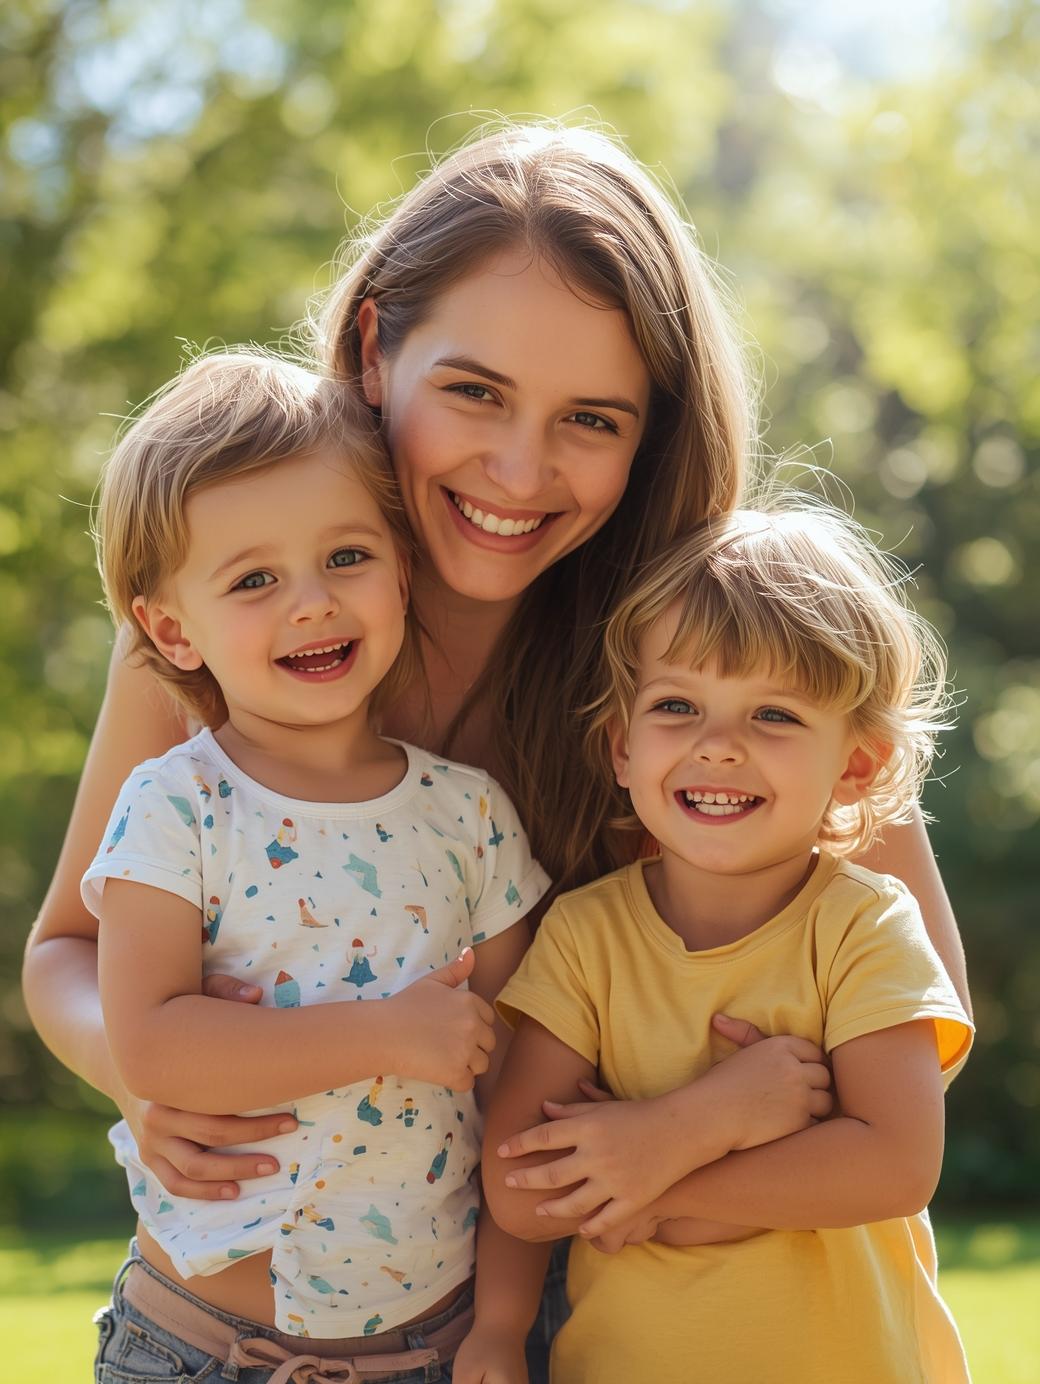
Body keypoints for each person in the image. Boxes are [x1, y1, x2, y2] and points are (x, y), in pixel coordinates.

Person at [22, 121, 970, 1380]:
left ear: (651, 437)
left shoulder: (706, 661)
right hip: (231, 1312)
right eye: (473, 391)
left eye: (591, 418)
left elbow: (908, 1010)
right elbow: (65, 953)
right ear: (375, 348)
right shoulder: (225, 638)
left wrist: (679, 1151)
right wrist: (147, 1073)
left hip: (573, 1319)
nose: (519, 469)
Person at [83, 349, 554, 1380]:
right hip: (199, 1347)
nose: (310, 602)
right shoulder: (176, 805)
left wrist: (502, 1327)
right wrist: (388, 1034)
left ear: (398, 563)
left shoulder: (468, 815)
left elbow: (526, 1076)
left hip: (424, 1350)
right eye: (254, 579)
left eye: (346, 557)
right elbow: (153, 1044)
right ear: (171, 627)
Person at [482, 497, 973, 1383]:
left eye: (774, 716)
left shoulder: (865, 926)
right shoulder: (586, 937)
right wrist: (701, 1121)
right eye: (677, 705)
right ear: (620, 746)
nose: (718, 746)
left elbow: (897, 1163)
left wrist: (660, 1167)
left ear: (854, 766)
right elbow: (518, 1186)